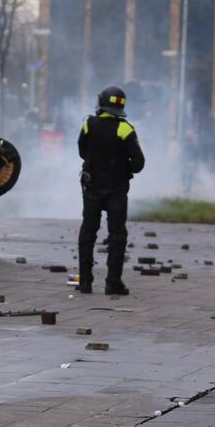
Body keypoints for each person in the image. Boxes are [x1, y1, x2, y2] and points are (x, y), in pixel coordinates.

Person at [77, 85, 145, 295]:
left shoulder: (88, 124)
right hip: (116, 190)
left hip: (92, 189)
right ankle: (112, 282)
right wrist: (122, 167)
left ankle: (85, 282)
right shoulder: (125, 128)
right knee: (117, 235)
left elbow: (82, 151)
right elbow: (139, 163)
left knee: (88, 233)